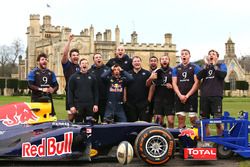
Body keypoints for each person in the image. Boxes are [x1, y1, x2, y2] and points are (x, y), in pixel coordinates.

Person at [197, 49, 227, 136]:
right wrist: (206, 65)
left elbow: (222, 75)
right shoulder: (205, 66)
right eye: (209, 54)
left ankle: (220, 142)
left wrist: (214, 65)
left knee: (218, 121)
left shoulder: (222, 65)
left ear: (217, 57)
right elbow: (199, 76)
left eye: (213, 54)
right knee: (204, 122)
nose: (211, 55)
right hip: (204, 97)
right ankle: (207, 142)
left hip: (216, 96)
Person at [172, 49, 201, 128]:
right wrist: (180, 95)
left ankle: (198, 137)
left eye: (186, 54)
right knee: (181, 119)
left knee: (193, 119)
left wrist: (187, 96)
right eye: (182, 54)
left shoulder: (195, 67)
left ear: (189, 56)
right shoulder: (176, 68)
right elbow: (174, 83)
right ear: (181, 56)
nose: (184, 55)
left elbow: (197, 83)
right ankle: (183, 138)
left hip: (191, 97)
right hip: (179, 97)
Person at [68, 58, 99, 123]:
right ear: (80, 65)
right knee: (78, 124)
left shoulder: (92, 77)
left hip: (90, 106)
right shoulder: (73, 77)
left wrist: (96, 104)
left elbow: (96, 92)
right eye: (82, 63)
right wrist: (71, 106)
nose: (84, 65)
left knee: (90, 125)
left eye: (86, 63)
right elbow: (70, 92)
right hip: (78, 105)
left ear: (88, 65)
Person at [149, 55, 175, 128]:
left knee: (171, 121)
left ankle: (170, 137)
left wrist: (172, 87)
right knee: (158, 122)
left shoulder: (173, 71)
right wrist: (149, 99)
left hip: (170, 100)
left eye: (166, 59)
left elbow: (177, 85)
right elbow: (152, 86)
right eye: (162, 59)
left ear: (169, 61)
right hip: (158, 100)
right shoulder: (156, 71)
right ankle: (160, 137)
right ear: (160, 62)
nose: (164, 60)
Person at [126, 56, 151, 122]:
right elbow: (125, 87)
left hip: (143, 103)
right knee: (131, 124)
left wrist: (149, 100)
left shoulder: (147, 73)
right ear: (132, 63)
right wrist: (125, 100)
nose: (137, 63)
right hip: (130, 104)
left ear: (141, 62)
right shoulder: (127, 74)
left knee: (144, 124)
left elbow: (152, 86)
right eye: (135, 61)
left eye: (138, 61)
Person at [62, 34, 80, 122]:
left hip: (80, 95)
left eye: (77, 55)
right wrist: (69, 41)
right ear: (70, 57)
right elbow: (64, 54)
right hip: (70, 94)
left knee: (79, 117)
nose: (75, 56)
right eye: (73, 55)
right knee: (71, 116)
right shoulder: (67, 66)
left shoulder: (81, 67)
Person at [89, 53, 109, 122]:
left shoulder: (107, 70)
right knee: (93, 121)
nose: (98, 58)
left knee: (105, 121)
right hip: (93, 101)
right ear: (93, 60)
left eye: (100, 57)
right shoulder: (90, 71)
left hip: (104, 100)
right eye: (96, 57)